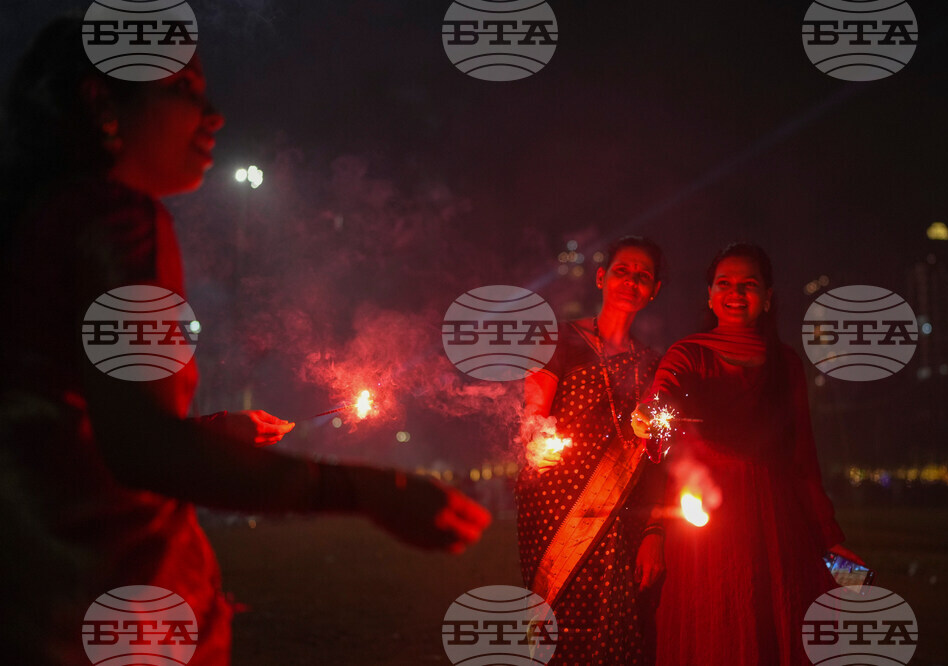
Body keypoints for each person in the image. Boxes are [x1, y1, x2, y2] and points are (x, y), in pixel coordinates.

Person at [0, 17, 490, 665]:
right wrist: (367, 493)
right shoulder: (116, 220)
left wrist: (212, 432)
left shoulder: (31, 225)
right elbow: (141, 449)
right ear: (101, 102)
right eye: (184, 89)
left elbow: (66, 428)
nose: (216, 116)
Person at [631, 243, 861, 665]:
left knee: (776, 627)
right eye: (725, 284)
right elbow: (662, 399)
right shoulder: (689, 353)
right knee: (715, 629)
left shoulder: (786, 363)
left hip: (775, 520)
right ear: (710, 295)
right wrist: (651, 413)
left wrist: (829, 537)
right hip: (707, 523)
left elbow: (802, 460)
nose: (735, 294)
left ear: (769, 297)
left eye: (748, 285)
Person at [516, 236, 666, 665]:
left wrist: (655, 531)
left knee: (618, 632)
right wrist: (535, 443)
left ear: (654, 290)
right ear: (602, 277)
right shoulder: (560, 339)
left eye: (643, 276)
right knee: (561, 628)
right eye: (622, 271)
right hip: (555, 512)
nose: (631, 282)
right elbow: (534, 414)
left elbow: (659, 456)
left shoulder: (655, 365)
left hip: (624, 517)